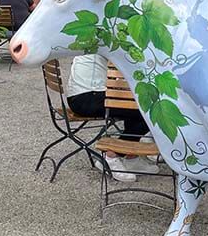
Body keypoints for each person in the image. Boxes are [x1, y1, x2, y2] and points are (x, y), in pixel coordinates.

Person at [65, 53, 156, 181]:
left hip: (79, 96)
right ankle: (111, 156)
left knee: (133, 105)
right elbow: (128, 65)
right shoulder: (105, 38)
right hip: (89, 97)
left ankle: (131, 157)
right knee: (149, 110)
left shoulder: (91, 38)